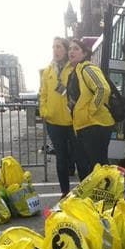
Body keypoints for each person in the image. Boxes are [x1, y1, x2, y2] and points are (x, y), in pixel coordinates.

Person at [66, 37, 115, 179]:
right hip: (85, 126)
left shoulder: (88, 68)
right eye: (70, 49)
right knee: (87, 166)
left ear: (84, 53)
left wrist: (90, 111)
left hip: (96, 125)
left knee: (98, 167)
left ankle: (104, 196)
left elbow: (103, 88)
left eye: (76, 49)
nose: (71, 51)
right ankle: (92, 197)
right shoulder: (75, 72)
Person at [38, 37, 76, 197]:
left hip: (73, 121)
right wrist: (44, 111)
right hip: (54, 122)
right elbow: (43, 93)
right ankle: (64, 192)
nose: (55, 50)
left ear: (66, 49)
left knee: (76, 156)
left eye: (59, 47)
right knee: (60, 158)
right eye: (53, 47)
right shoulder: (47, 71)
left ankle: (83, 192)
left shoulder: (74, 68)